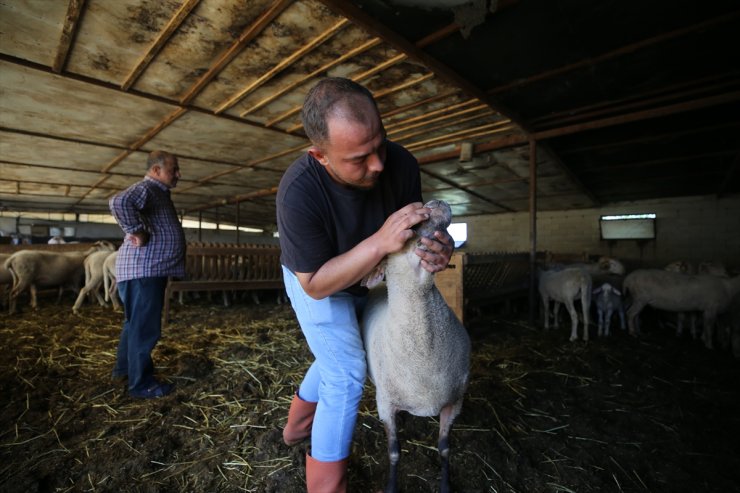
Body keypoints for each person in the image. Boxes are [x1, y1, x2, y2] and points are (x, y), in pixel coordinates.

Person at [276, 77, 454, 491]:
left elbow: (411, 241)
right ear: (319, 155)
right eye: (359, 158)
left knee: (338, 350)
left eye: (380, 143)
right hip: (317, 278)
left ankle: (295, 427)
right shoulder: (297, 193)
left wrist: (435, 251)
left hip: (371, 271)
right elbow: (317, 285)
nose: (377, 164)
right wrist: (378, 243)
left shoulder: (401, 163)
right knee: (347, 370)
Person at [109, 150, 185, 399]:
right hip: (144, 270)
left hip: (144, 271)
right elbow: (118, 202)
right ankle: (141, 384)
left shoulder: (157, 193)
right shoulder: (148, 189)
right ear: (156, 170)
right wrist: (136, 231)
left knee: (135, 325)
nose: (178, 174)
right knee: (145, 329)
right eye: (173, 169)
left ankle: (124, 371)